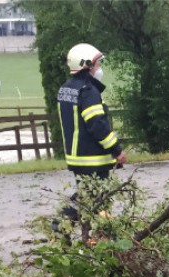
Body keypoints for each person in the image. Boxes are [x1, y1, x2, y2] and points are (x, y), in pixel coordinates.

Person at [56, 43, 126, 226]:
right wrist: (117, 150)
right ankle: (63, 226)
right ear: (86, 65)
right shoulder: (88, 92)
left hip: (77, 158)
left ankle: (83, 234)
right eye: (97, 64)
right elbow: (97, 125)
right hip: (93, 158)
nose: (99, 69)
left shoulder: (66, 89)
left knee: (87, 198)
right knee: (95, 201)